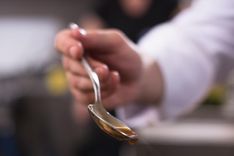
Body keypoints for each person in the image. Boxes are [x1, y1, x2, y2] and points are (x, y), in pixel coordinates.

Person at [55, 0, 234, 129]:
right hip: (115, 95)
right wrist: (141, 73)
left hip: (152, 116)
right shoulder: (105, 7)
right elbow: (204, 37)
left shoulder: (169, 5)